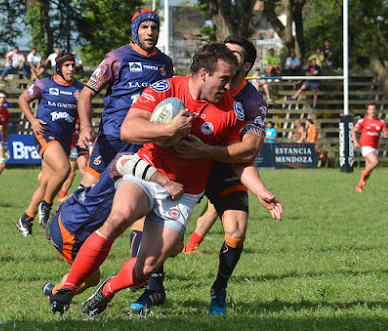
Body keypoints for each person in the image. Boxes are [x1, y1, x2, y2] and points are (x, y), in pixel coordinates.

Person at [46, 43, 272, 318]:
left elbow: (240, 160)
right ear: (203, 74)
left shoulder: (231, 111)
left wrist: (260, 190)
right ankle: (67, 287)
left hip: (183, 194)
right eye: (224, 79)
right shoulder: (166, 89)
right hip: (148, 173)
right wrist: (168, 129)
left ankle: (107, 289)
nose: (228, 86)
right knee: (121, 216)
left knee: (147, 267)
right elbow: (128, 129)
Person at [149, 35, 281, 316]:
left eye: (232, 55)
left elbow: (250, 149)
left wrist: (259, 189)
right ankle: (154, 284)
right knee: (158, 227)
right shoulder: (197, 81)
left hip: (222, 165)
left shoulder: (251, 99)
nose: (224, 56)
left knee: (237, 229)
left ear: (245, 66)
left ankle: (219, 288)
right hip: (185, 162)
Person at [75, 9, 173, 258]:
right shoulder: (117, 58)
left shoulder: (165, 63)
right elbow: (86, 93)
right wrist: (86, 127)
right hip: (112, 139)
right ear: (135, 30)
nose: (150, 32)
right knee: (91, 193)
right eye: (144, 27)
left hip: (144, 141)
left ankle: (135, 267)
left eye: (153, 28)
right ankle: (72, 241)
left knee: (141, 199)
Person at [45, 152, 184, 295]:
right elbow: (122, 162)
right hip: (71, 232)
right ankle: (55, 294)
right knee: (89, 279)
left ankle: (55, 291)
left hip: (68, 214)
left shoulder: (134, 163)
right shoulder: (135, 165)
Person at [15, 52, 84, 236]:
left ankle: (25, 219)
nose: (71, 68)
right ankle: (46, 206)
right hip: (45, 135)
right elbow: (23, 99)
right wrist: (32, 120)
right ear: (59, 67)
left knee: (46, 184)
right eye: (67, 65)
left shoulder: (79, 89)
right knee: (64, 170)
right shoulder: (44, 84)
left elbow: (87, 111)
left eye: (73, 65)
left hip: (64, 140)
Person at [352, 103, 388, 192]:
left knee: (370, 170)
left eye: (374, 109)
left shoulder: (380, 122)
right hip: (365, 146)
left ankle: (359, 186)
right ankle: (363, 173)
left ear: (376, 111)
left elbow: (385, 131)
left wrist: (386, 134)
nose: (372, 111)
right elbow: (354, 131)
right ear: (367, 111)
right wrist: (355, 142)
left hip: (374, 147)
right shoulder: (363, 121)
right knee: (375, 162)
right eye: (370, 109)